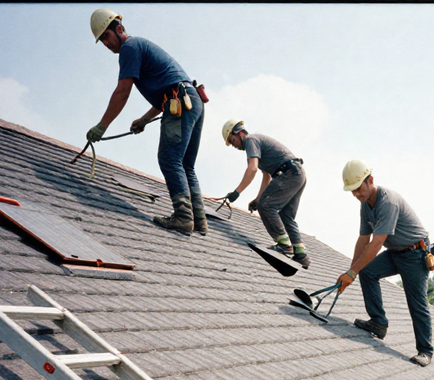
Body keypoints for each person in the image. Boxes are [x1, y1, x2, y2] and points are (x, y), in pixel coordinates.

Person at [86, 8, 207, 235]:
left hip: (180, 100)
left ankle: (183, 217)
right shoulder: (141, 47)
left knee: (169, 158)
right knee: (185, 164)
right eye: (101, 40)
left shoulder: (129, 48)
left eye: (106, 36)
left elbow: (123, 91)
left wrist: (102, 125)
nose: (105, 43)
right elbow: (167, 94)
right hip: (193, 100)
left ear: (119, 29)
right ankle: (198, 221)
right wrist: (143, 119)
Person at [336, 160, 434, 367]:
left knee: (416, 303)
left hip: (415, 254)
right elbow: (363, 239)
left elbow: (376, 243)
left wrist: (352, 272)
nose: (356, 195)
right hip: (396, 252)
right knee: (368, 271)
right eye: (352, 191)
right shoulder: (365, 205)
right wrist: (350, 271)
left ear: (370, 180)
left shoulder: (387, 202)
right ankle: (378, 322)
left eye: (358, 189)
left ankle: (425, 351)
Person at [221, 120, 310, 267]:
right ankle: (300, 253)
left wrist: (237, 192)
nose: (234, 146)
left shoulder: (251, 141)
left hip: (288, 173)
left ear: (239, 133)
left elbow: (253, 168)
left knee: (267, 205)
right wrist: (257, 199)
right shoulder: (258, 144)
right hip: (297, 174)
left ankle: (283, 244)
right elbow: (266, 176)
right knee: (285, 215)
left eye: (233, 140)